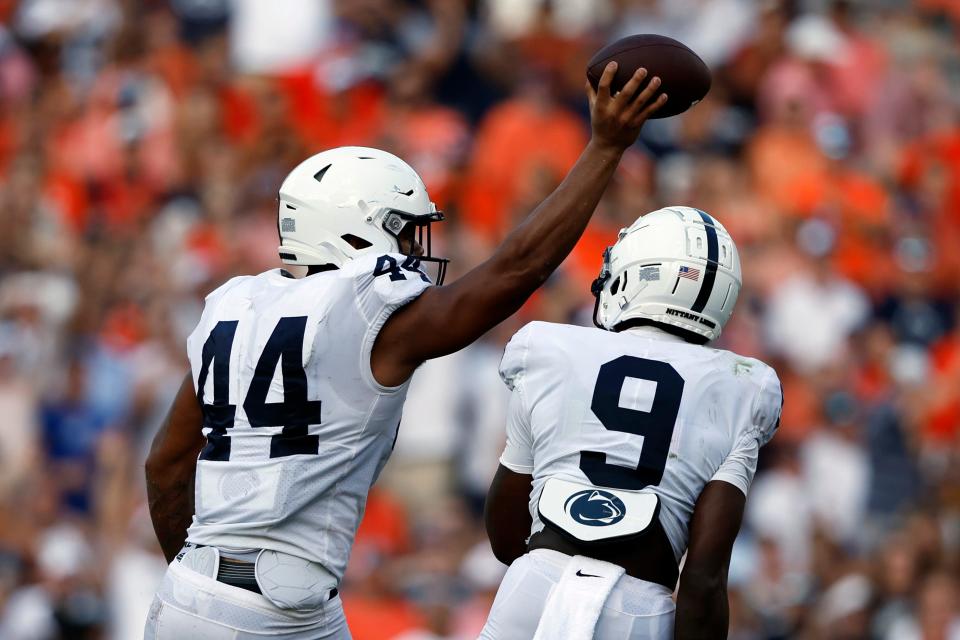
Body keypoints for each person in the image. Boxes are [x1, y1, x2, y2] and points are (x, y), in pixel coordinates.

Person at [142, 62, 668, 639]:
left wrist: (201, 592)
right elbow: (514, 270)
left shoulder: (232, 303)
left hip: (194, 591)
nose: (415, 250)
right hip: (279, 608)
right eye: (404, 231)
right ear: (353, 230)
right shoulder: (360, 309)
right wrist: (604, 148)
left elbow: (166, 466)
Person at [481, 207, 783, 640]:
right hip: (637, 609)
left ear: (636, 275)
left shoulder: (546, 347)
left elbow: (505, 535)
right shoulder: (742, 387)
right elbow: (703, 578)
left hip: (534, 589)